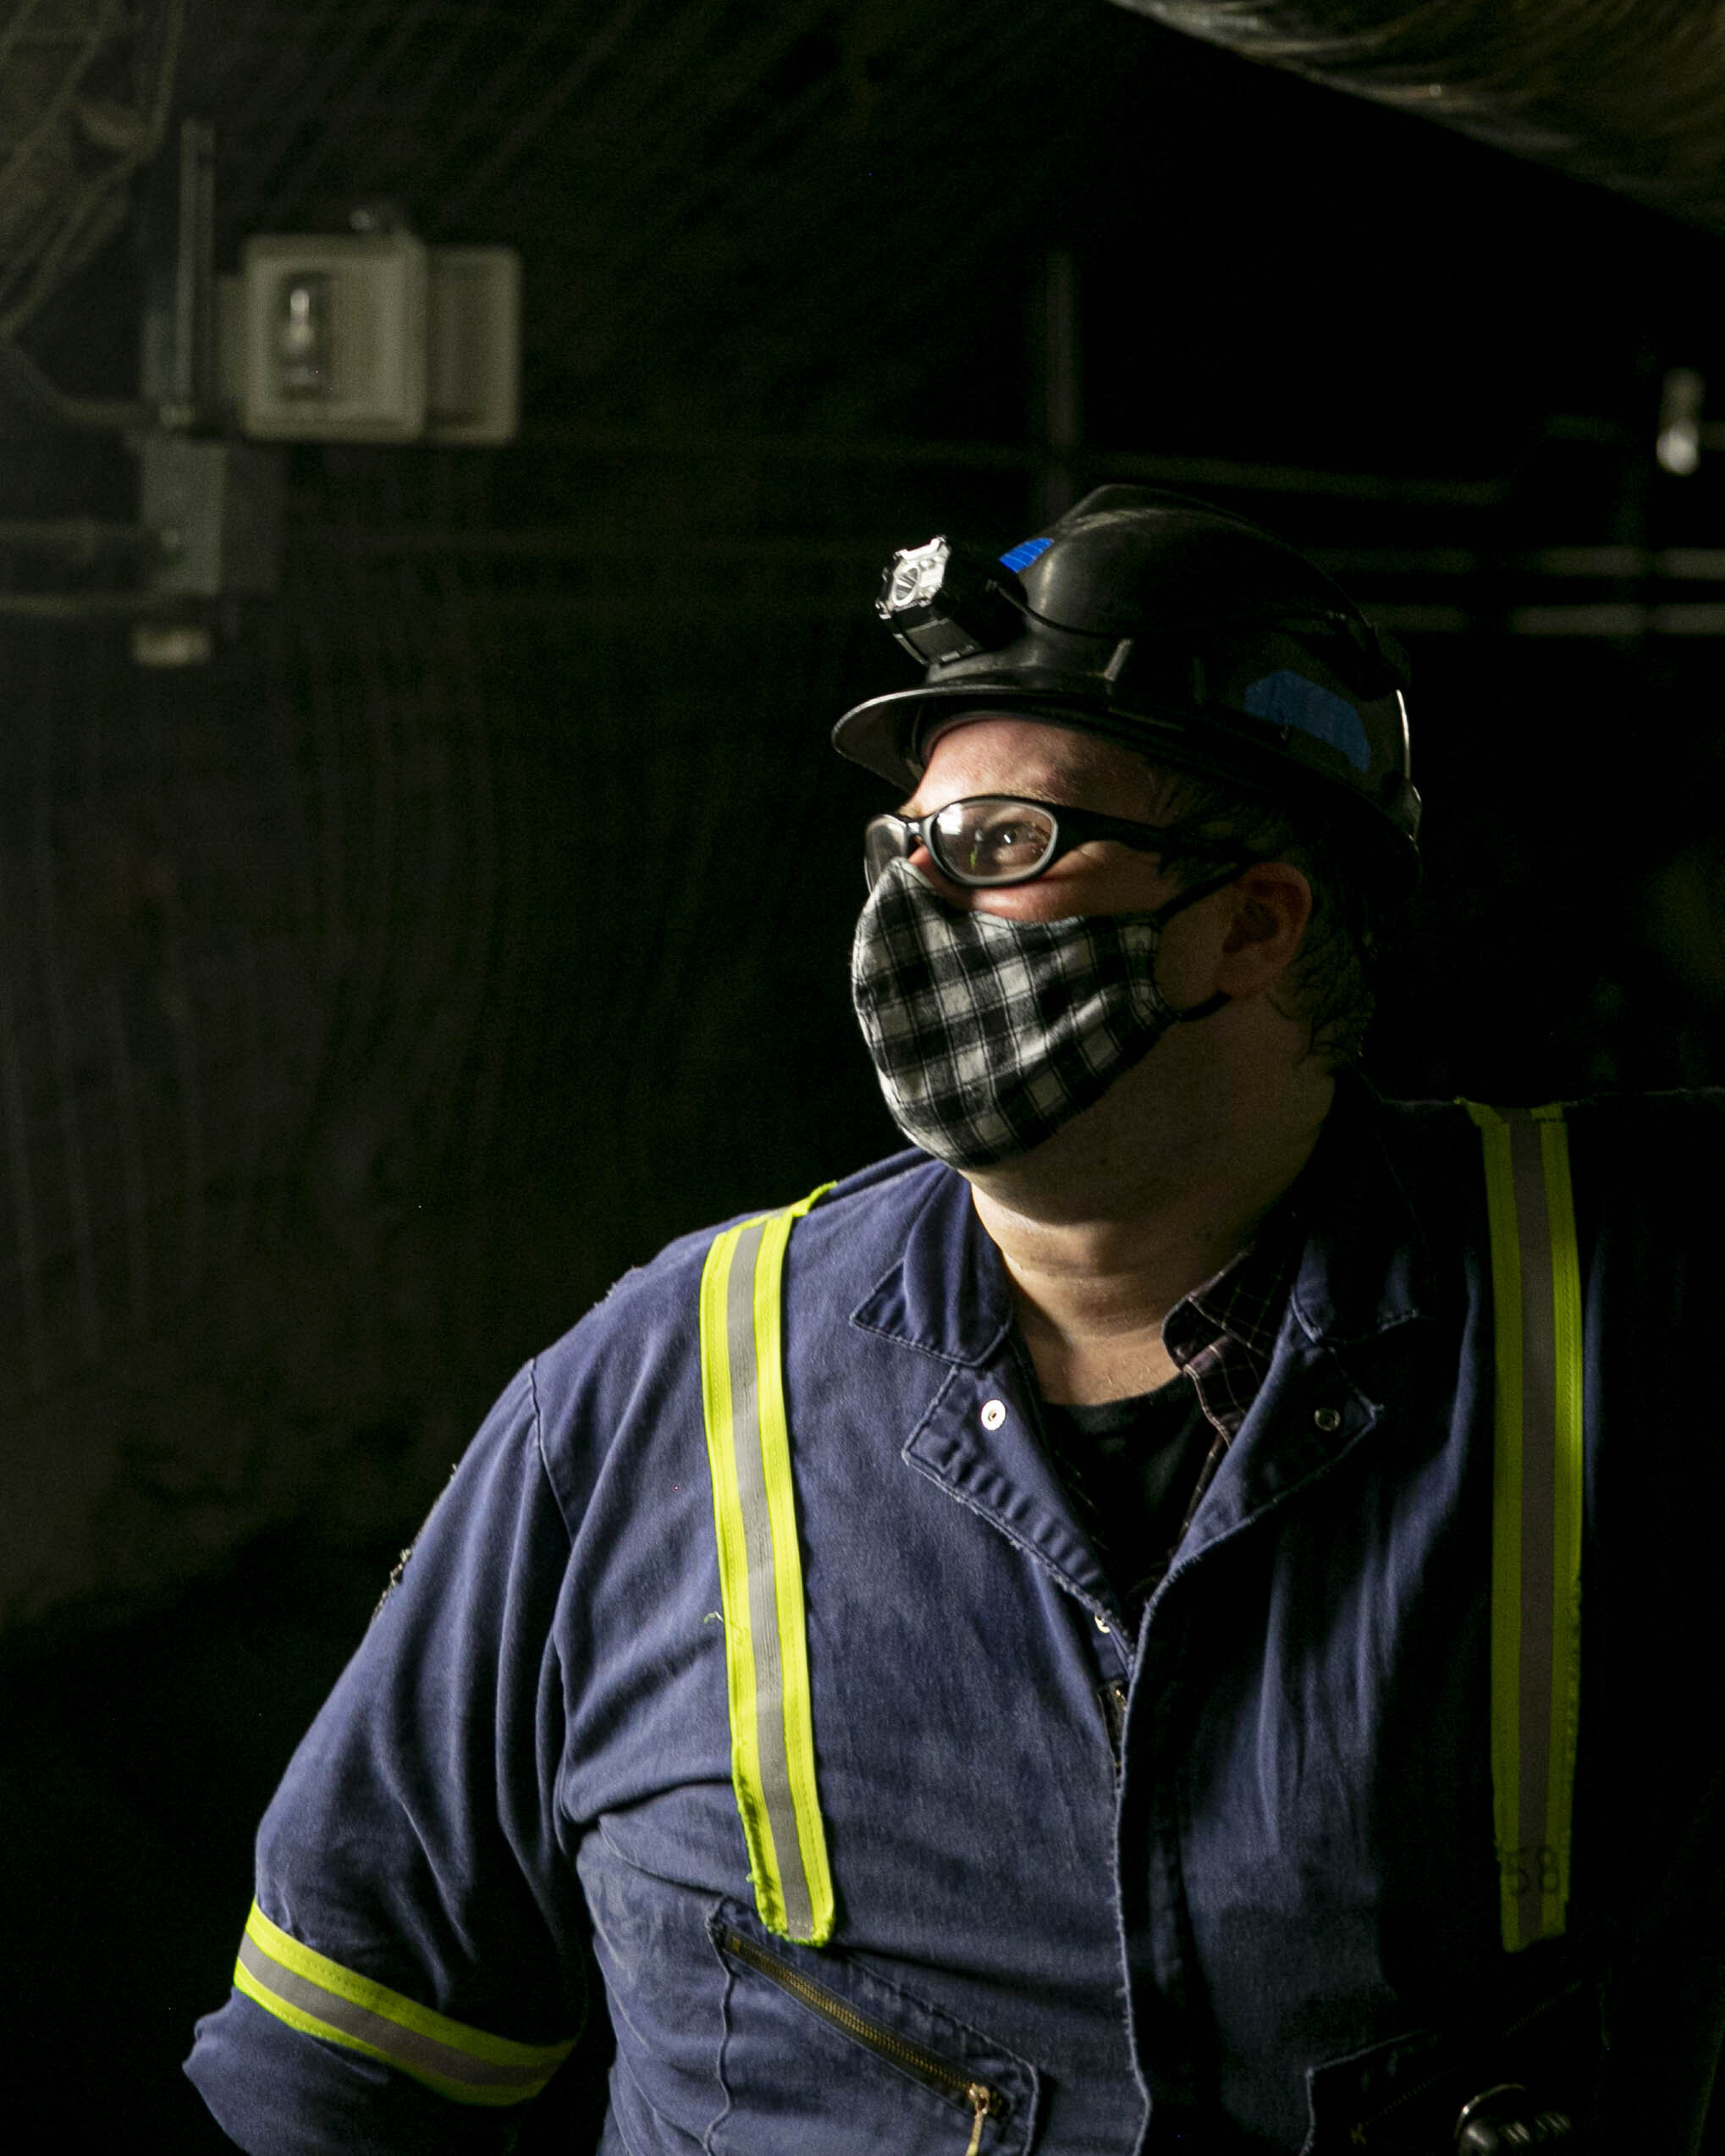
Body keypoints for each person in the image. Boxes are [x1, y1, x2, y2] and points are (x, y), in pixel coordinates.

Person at [185, 487, 1725, 2154]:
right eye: (904, 845)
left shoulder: (1624, 1298)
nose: (910, 911)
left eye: (1001, 845)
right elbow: (334, 2073)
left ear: (1247, 925)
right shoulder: (654, 1386)